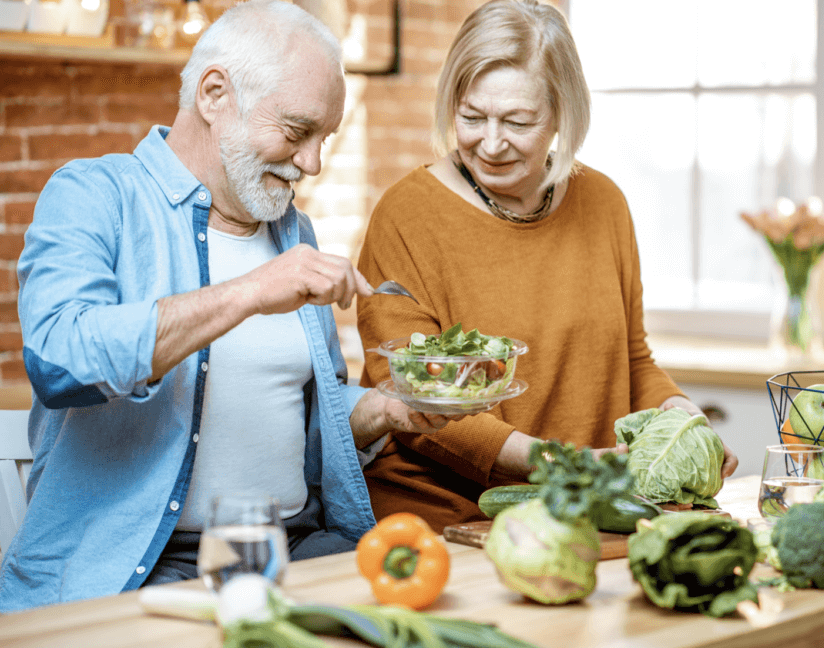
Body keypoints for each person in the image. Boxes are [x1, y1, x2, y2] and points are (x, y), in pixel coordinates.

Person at [0, 0, 456, 613]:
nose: (313, 163)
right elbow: (60, 361)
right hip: (146, 566)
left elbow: (290, 425)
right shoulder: (94, 195)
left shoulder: (292, 233)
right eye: (297, 132)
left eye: (324, 140)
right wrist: (248, 293)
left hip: (298, 547)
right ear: (214, 95)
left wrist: (384, 410)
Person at [355, 0, 738, 534]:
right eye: (471, 117)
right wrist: (564, 463)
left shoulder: (604, 202)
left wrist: (683, 423)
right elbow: (414, 401)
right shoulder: (407, 215)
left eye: (517, 121)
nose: (489, 143)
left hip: (584, 510)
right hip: (450, 520)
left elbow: (632, 359)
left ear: (562, 113)